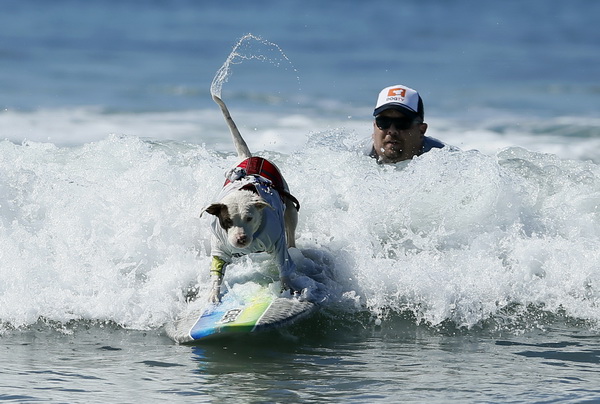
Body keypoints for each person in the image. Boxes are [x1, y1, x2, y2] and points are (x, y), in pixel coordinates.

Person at [366, 84, 445, 164]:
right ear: (374, 126)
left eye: (402, 123)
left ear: (421, 130)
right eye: (384, 122)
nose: (392, 131)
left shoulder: (445, 161)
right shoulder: (356, 158)